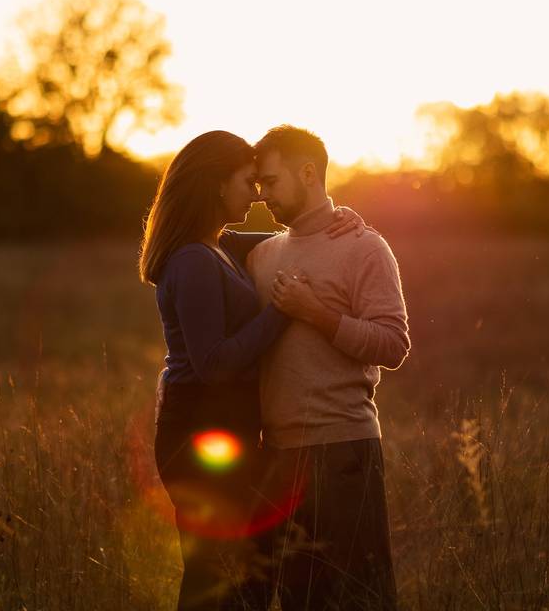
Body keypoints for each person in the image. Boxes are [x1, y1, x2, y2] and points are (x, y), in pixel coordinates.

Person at [137, 130, 365, 610]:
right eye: (248, 181)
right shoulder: (194, 261)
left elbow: (294, 239)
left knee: (245, 573)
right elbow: (214, 364)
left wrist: (334, 219)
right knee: (217, 576)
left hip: (228, 430)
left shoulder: (221, 245)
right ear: (218, 185)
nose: (258, 194)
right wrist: (282, 311)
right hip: (202, 430)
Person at [246, 125, 411, 610]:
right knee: (299, 598)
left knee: (356, 598)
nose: (264, 197)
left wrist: (317, 313)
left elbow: (394, 345)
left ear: (309, 172)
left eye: (271, 183)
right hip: (277, 456)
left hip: (343, 453)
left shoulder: (365, 248)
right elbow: (201, 235)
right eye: (257, 186)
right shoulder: (260, 254)